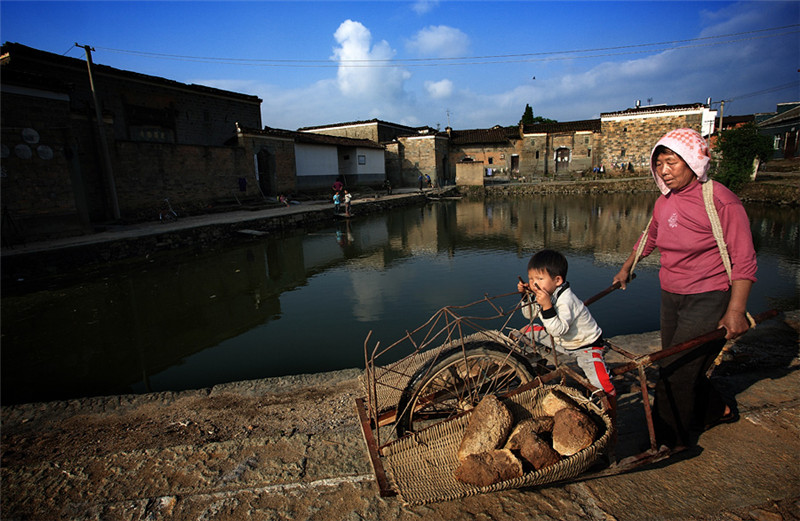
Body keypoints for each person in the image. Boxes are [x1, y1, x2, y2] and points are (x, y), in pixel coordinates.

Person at [612, 128, 757, 450]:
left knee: (675, 368)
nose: (664, 170)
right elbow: (649, 236)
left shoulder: (720, 199)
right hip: (671, 295)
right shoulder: (664, 201)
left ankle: (669, 441)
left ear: (693, 161)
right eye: (659, 163)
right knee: (681, 361)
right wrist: (626, 268)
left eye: (672, 162)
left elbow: (744, 258)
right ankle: (715, 410)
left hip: (708, 295)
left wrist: (736, 310)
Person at [516, 249, 617, 413]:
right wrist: (525, 296)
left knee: (602, 384)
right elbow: (529, 314)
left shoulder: (566, 299)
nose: (534, 284)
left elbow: (558, 330)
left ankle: (611, 413)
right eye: (531, 278)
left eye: (539, 279)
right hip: (565, 341)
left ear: (557, 280)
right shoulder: (547, 292)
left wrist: (547, 306)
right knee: (527, 330)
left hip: (585, 346)